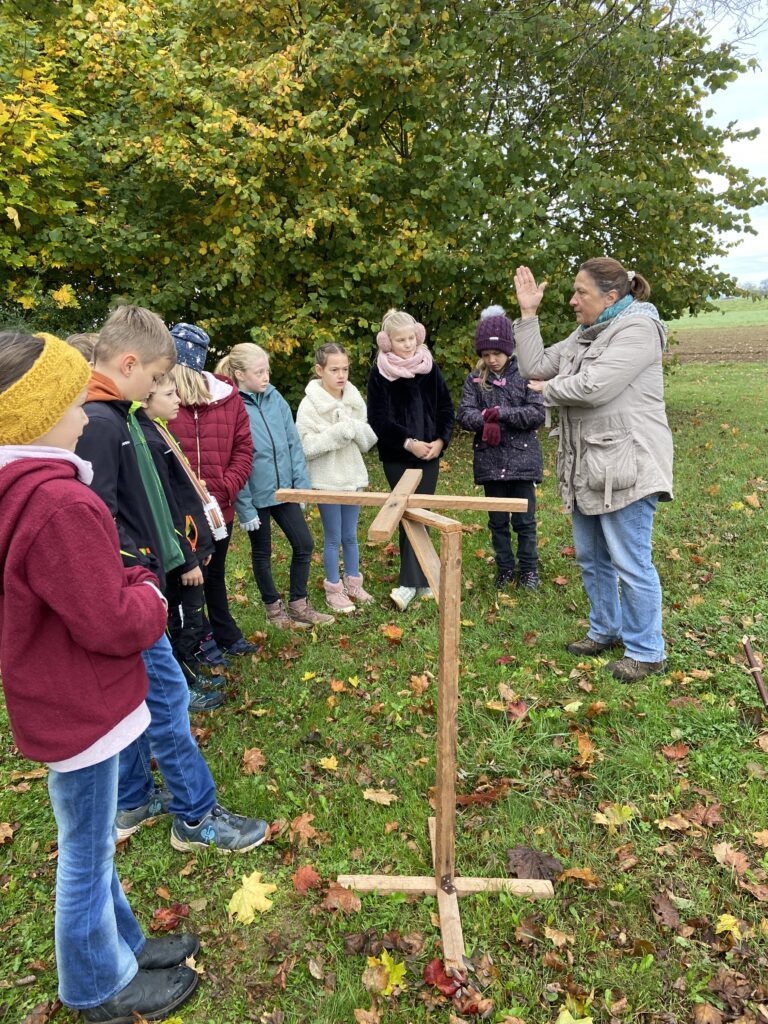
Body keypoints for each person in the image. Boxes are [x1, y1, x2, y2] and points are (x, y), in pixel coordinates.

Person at [0, 332, 199, 1022]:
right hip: (79, 705)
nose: (85, 415)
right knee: (85, 857)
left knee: (92, 846)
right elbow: (110, 620)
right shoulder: (58, 504)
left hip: (60, 699)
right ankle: (97, 986)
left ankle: (124, 945)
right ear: (38, 415)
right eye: (71, 402)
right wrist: (148, 592)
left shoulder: (23, 492)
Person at [75, 305, 268, 851]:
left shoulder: (125, 417)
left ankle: (133, 800)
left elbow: (151, 503)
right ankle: (196, 815)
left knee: (139, 701)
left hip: (137, 586)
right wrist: (138, 580)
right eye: (159, 377)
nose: (164, 386)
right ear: (130, 363)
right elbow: (95, 520)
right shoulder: (101, 424)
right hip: (129, 598)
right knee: (168, 698)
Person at [513, 259, 673, 682]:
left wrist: (546, 391)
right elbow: (534, 367)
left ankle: (647, 651)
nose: (572, 300)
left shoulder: (638, 331)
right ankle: (605, 629)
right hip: (588, 466)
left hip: (628, 465)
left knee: (630, 561)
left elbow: (594, 386)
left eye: (581, 292)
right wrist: (528, 315)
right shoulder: (586, 333)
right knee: (592, 557)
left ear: (611, 297)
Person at [218, 343, 335, 629]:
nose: (266, 377)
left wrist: (301, 487)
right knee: (262, 552)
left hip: (284, 490)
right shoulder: (231, 406)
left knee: (304, 544)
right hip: (255, 496)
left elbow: (293, 444)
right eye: (259, 372)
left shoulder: (275, 398)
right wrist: (244, 507)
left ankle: (299, 604)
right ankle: (274, 611)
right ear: (239, 374)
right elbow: (234, 459)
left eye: (267, 370)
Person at [169, 323, 260, 661]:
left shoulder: (228, 399)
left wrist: (223, 487)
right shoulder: (161, 399)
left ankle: (224, 632)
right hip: (181, 511)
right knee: (190, 578)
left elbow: (243, 450)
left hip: (219, 508)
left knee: (215, 574)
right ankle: (200, 638)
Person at [138, 375, 225, 712]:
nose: (178, 400)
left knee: (192, 613)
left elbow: (185, 496)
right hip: (178, 555)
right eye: (170, 394)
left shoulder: (162, 430)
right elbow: (166, 505)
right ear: (146, 398)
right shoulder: (148, 437)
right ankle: (182, 684)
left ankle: (189, 669)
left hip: (191, 544)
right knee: (181, 619)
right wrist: (188, 558)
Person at [366, 308, 454, 611]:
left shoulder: (430, 368)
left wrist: (440, 441)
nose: (407, 345)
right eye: (400, 340)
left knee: (422, 511)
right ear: (386, 342)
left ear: (418, 336)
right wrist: (409, 443)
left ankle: (422, 580)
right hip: (397, 455)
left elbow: (445, 407)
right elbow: (377, 419)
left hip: (430, 453)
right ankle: (409, 583)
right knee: (406, 512)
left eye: (410, 339)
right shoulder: (380, 373)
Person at [456, 305, 545, 589]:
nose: (492, 360)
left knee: (524, 521)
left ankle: (529, 570)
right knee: (497, 522)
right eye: (485, 354)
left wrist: (502, 413)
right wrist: (484, 419)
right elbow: (464, 414)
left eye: (497, 353)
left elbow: (536, 414)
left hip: (522, 461)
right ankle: (505, 568)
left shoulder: (527, 373)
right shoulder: (475, 379)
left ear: (508, 349)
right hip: (490, 462)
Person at [296, 343, 378, 613]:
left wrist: (352, 428)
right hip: (327, 479)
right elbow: (306, 446)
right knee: (333, 537)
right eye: (334, 369)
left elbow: (368, 439)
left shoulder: (354, 398)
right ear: (320, 370)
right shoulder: (310, 404)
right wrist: (336, 433)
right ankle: (333, 587)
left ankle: (353, 583)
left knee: (350, 535)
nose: (341, 375)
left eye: (345, 369)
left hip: (353, 477)